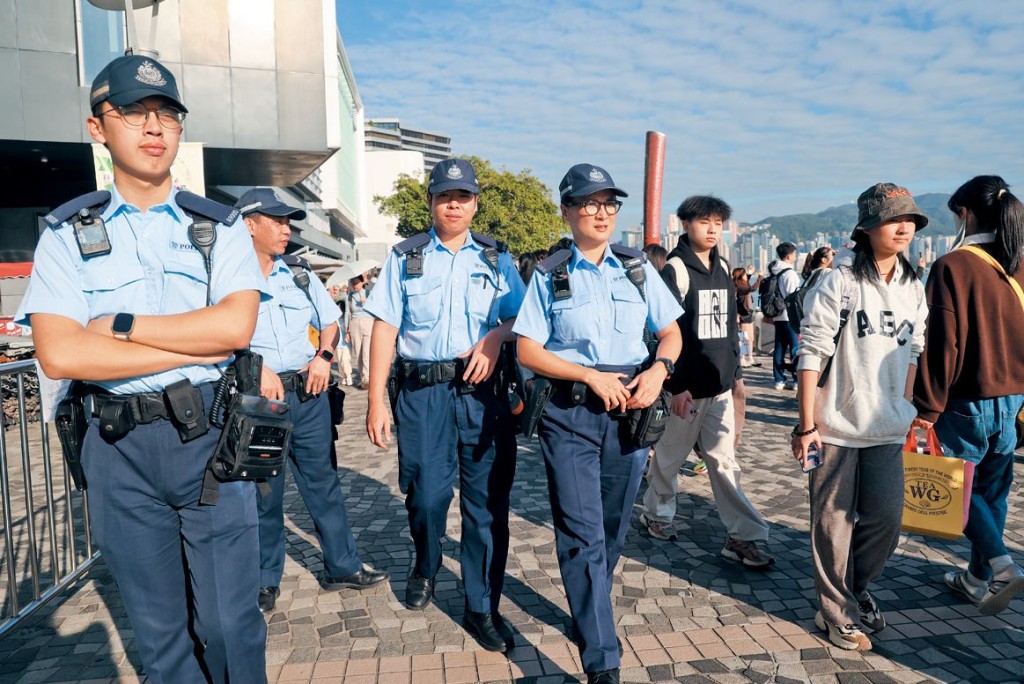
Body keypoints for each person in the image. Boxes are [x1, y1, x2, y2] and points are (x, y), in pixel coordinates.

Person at [16, 55, 267, 682]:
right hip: (116, 446)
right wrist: (195, 344)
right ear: (99, 127)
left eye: (167, 116)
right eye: (133, 113)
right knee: (159, 639)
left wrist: (122, 327)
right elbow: (61, 353)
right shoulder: (66, 233)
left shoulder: (219, 227)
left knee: (231, 627)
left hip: (210, 437)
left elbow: (234, 329)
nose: (154, 128)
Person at [514, 164, 682, 684]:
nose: (601, 212)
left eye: (609, 203)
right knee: (581, 530)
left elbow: (671, 332)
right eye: (589, 203)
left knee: (611, 525)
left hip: (629, 412)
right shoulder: (550, 273)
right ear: (567, 211)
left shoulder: (636, 267)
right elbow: (527, 349)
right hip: (569, 412)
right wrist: (588, 373)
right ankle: (601, 658)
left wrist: (659, 369)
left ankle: (589, 606)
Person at [363, 158, 525, 652]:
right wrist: (375, 401)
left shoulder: (498, 259)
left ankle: (481, 606)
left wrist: (497, 336)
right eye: (444, 196)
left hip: (482, 395)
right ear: (431, 202)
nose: (453, 204)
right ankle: (425, 560)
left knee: (485, 506)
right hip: (422, 393)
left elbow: (522, 316)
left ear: (475, 203)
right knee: (427, 494)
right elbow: (385, 327)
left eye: (463, 196)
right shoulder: (405, 257)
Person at [235, 188, 390, 614]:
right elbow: (215, 336)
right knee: (265, 493)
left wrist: (323, 356)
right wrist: (251, 363)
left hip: (308, 392)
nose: (286, 229)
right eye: (276, 221)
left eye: (289, 222)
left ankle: (342, 565)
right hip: (258, 400)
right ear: (249, 224)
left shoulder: (298, 273)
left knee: (324, 484)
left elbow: (330, 321)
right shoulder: (226, 278)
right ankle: (264, 580)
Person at [793, 182, 929, 651]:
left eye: (909, 218)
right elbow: (810, 352)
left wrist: (906, 404)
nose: (904, 226)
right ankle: (836, 613)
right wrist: (806, 423)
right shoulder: (842, 279)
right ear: (867, 226)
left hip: (887, 425)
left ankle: (856, 589)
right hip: (834, 426)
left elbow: (916, 346)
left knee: (887, 519)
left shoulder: (913, 284)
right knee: (832, 525)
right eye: (894, 218)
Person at [640, 196, 774, 568]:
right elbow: (665, 331)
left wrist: (735, 374)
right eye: (705, 222)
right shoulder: (677, 270)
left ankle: (743, 535)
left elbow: (729, 326)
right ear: (685, 224)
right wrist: (675, 384)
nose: (713, 229)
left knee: (723, 459)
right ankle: (657, 513)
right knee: (669, 457)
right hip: (686, 388)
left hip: (720, 387)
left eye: (718, 222)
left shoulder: (724, 266)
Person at [914, 176, 1024, 616]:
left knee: (956, 488)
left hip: (967, 400)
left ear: (964, 213)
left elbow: (944, 345)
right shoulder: (1017, 264)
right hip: (1014, 398)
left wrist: (927, 407)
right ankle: (977, 579)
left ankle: (999, 566)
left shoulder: (953, 266)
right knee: (992, 492)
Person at [769, 243, 801, 390]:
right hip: (790, 316)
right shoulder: (790, 274)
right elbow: (793, 297)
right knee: (795, 348)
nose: (795, 256)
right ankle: (796, 380)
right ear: (789, 256)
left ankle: (779, 380)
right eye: (794, 254)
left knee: (779, 348)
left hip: (777, 316)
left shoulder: (774, 272)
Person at [348, 273, 374, 388]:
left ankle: (367, 377)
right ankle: (363, 376)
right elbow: (348, 312)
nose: (355, 285)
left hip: (368, 321)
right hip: (354, 322)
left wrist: (366, 303)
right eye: (352, 283)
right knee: (357, 352)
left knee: (366, 351)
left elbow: (376, 308)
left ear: (361, 282)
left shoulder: (369, 293)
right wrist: (347, 330)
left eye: (356, 282)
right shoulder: (350, 296)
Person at [733, 267, 756, 368]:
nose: (746, 276)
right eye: (745, 275)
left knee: (750, 337)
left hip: (747, 313)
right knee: (743, 338)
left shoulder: (742, 285)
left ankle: (750, 357)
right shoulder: (740, 287)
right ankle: (742, 358)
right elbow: (752, 288)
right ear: (741, 277)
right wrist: (759, 278)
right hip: (742, 314)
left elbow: (747, 285)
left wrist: (750, 274)